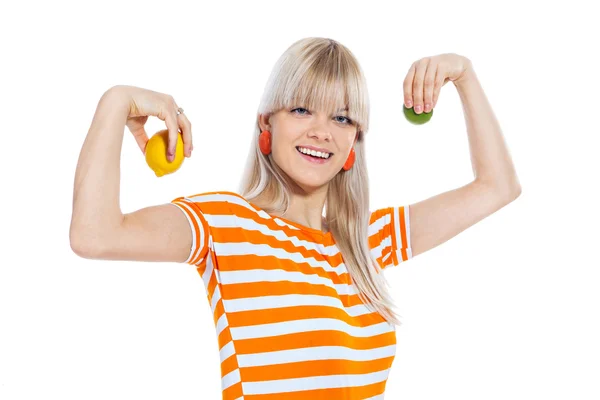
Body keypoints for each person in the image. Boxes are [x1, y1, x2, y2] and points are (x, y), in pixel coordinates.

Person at [70, 37, 521, 399]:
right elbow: (95, 235)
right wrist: (116, 102)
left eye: (342, 118)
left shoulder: (366, 244)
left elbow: (498, 186)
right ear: (267, 123)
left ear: (354, 143)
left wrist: (463, 73)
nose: (321, 131)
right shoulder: (228, 224)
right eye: (302, 109)